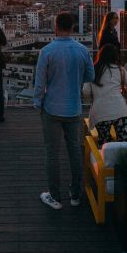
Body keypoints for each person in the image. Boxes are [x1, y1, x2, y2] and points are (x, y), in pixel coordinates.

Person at [33, 11, 95, 210]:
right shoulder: (82, 50)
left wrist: (37, 103)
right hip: (74, 108)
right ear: (73, 27)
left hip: (51, 108)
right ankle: (75, 195)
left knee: (52, 153)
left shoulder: (47, 51)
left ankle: (55, 196)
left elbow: (39, 82)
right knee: (75, 152)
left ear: (56, 27)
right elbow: (90, 75)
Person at [83, 44, 127, 146]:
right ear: (115, 56)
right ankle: (125, 160)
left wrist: (94, 95)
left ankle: (106, 160)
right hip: (120, 111)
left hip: (100, 112)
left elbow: (85, 92)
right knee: (126, 144)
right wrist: (122, 89)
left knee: (105, 145)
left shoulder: (92, 70)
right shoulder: (120, 70)